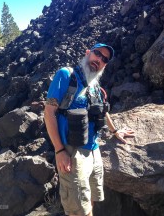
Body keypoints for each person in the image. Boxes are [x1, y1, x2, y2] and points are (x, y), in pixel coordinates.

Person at [44, 43, 134, 216]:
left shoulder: (94, 84)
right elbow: (49, 112)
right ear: (88, 53)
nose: (99, 59)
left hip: (94, 151)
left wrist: (115, 132)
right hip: (72, 153)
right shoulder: (66, 75)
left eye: (104, 59)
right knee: (78, 210)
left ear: (105, 65)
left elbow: (102, 111)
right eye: (97, 54)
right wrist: (59, 150)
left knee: (90, 200)